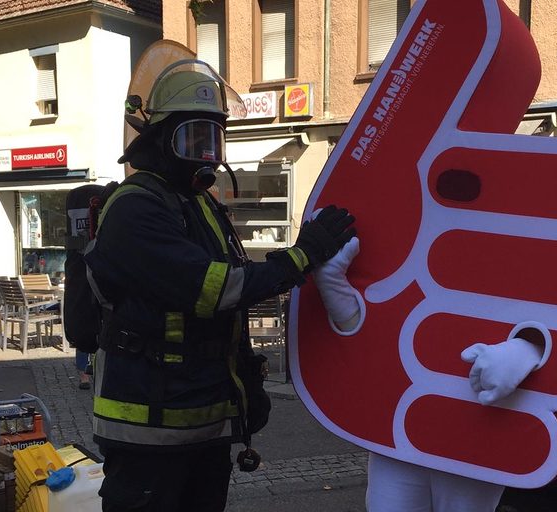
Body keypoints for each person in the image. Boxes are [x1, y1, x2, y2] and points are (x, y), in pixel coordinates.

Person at [85, 59, 355, 512]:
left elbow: (231, 309)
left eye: (213, 139)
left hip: (203, 424)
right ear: (159, 141)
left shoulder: (199, 205)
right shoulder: (135, 209)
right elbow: (218, 290)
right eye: (192, 138)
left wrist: (246, 382)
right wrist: (303, 254)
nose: (206, 154)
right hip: (147, 428)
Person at [311, 232, 545, 512]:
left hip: (475, 431)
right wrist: (342, 301)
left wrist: (530, 347)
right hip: (399, 427)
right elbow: (380, 335)